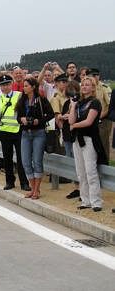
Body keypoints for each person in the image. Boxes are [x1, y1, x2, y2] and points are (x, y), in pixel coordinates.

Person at [68, 76, 106, 211]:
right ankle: (86, 200)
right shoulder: (79, 103)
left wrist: (74, 126)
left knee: (91, 171)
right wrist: (72, 106)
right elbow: (71, 121)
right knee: (81, 172)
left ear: (93, 87)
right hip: (78, 139)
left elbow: (89, 121)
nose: (84, 87)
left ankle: (96, 201)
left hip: (89, 139)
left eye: (87, 85)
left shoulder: (95, 103)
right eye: (83, 84)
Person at [16, 78, 54, 199]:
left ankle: (37, 190)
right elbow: (18, 117)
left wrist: (39, 121)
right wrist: (22, 120)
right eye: (24, 86)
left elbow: (51, 114)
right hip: (26, 133)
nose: (24, 88)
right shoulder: (22, 100)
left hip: (39, 132)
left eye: (26, 86)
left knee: (37, 161)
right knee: (26, 161)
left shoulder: (41, 99)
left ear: (33, 87)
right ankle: (32, 188)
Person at [0, 75, 31, 191]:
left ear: (11, 84)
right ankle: (10, 181)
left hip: (18, 132)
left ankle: (24, 182)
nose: (5, 87)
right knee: (7, 158)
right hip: (4, 133)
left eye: (7, 84)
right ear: (0, 87)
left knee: (21, 159)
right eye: (3, 85)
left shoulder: (19, 96)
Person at [88, 68, 112, 161]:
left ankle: (104, 166)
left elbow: (110, 106)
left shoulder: (105, 88)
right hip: (90, 121)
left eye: (96, 75)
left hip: (103, 120)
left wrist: (98, 117)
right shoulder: (88, 87)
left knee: (103, 144)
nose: (94, 77)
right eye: (92, 76)